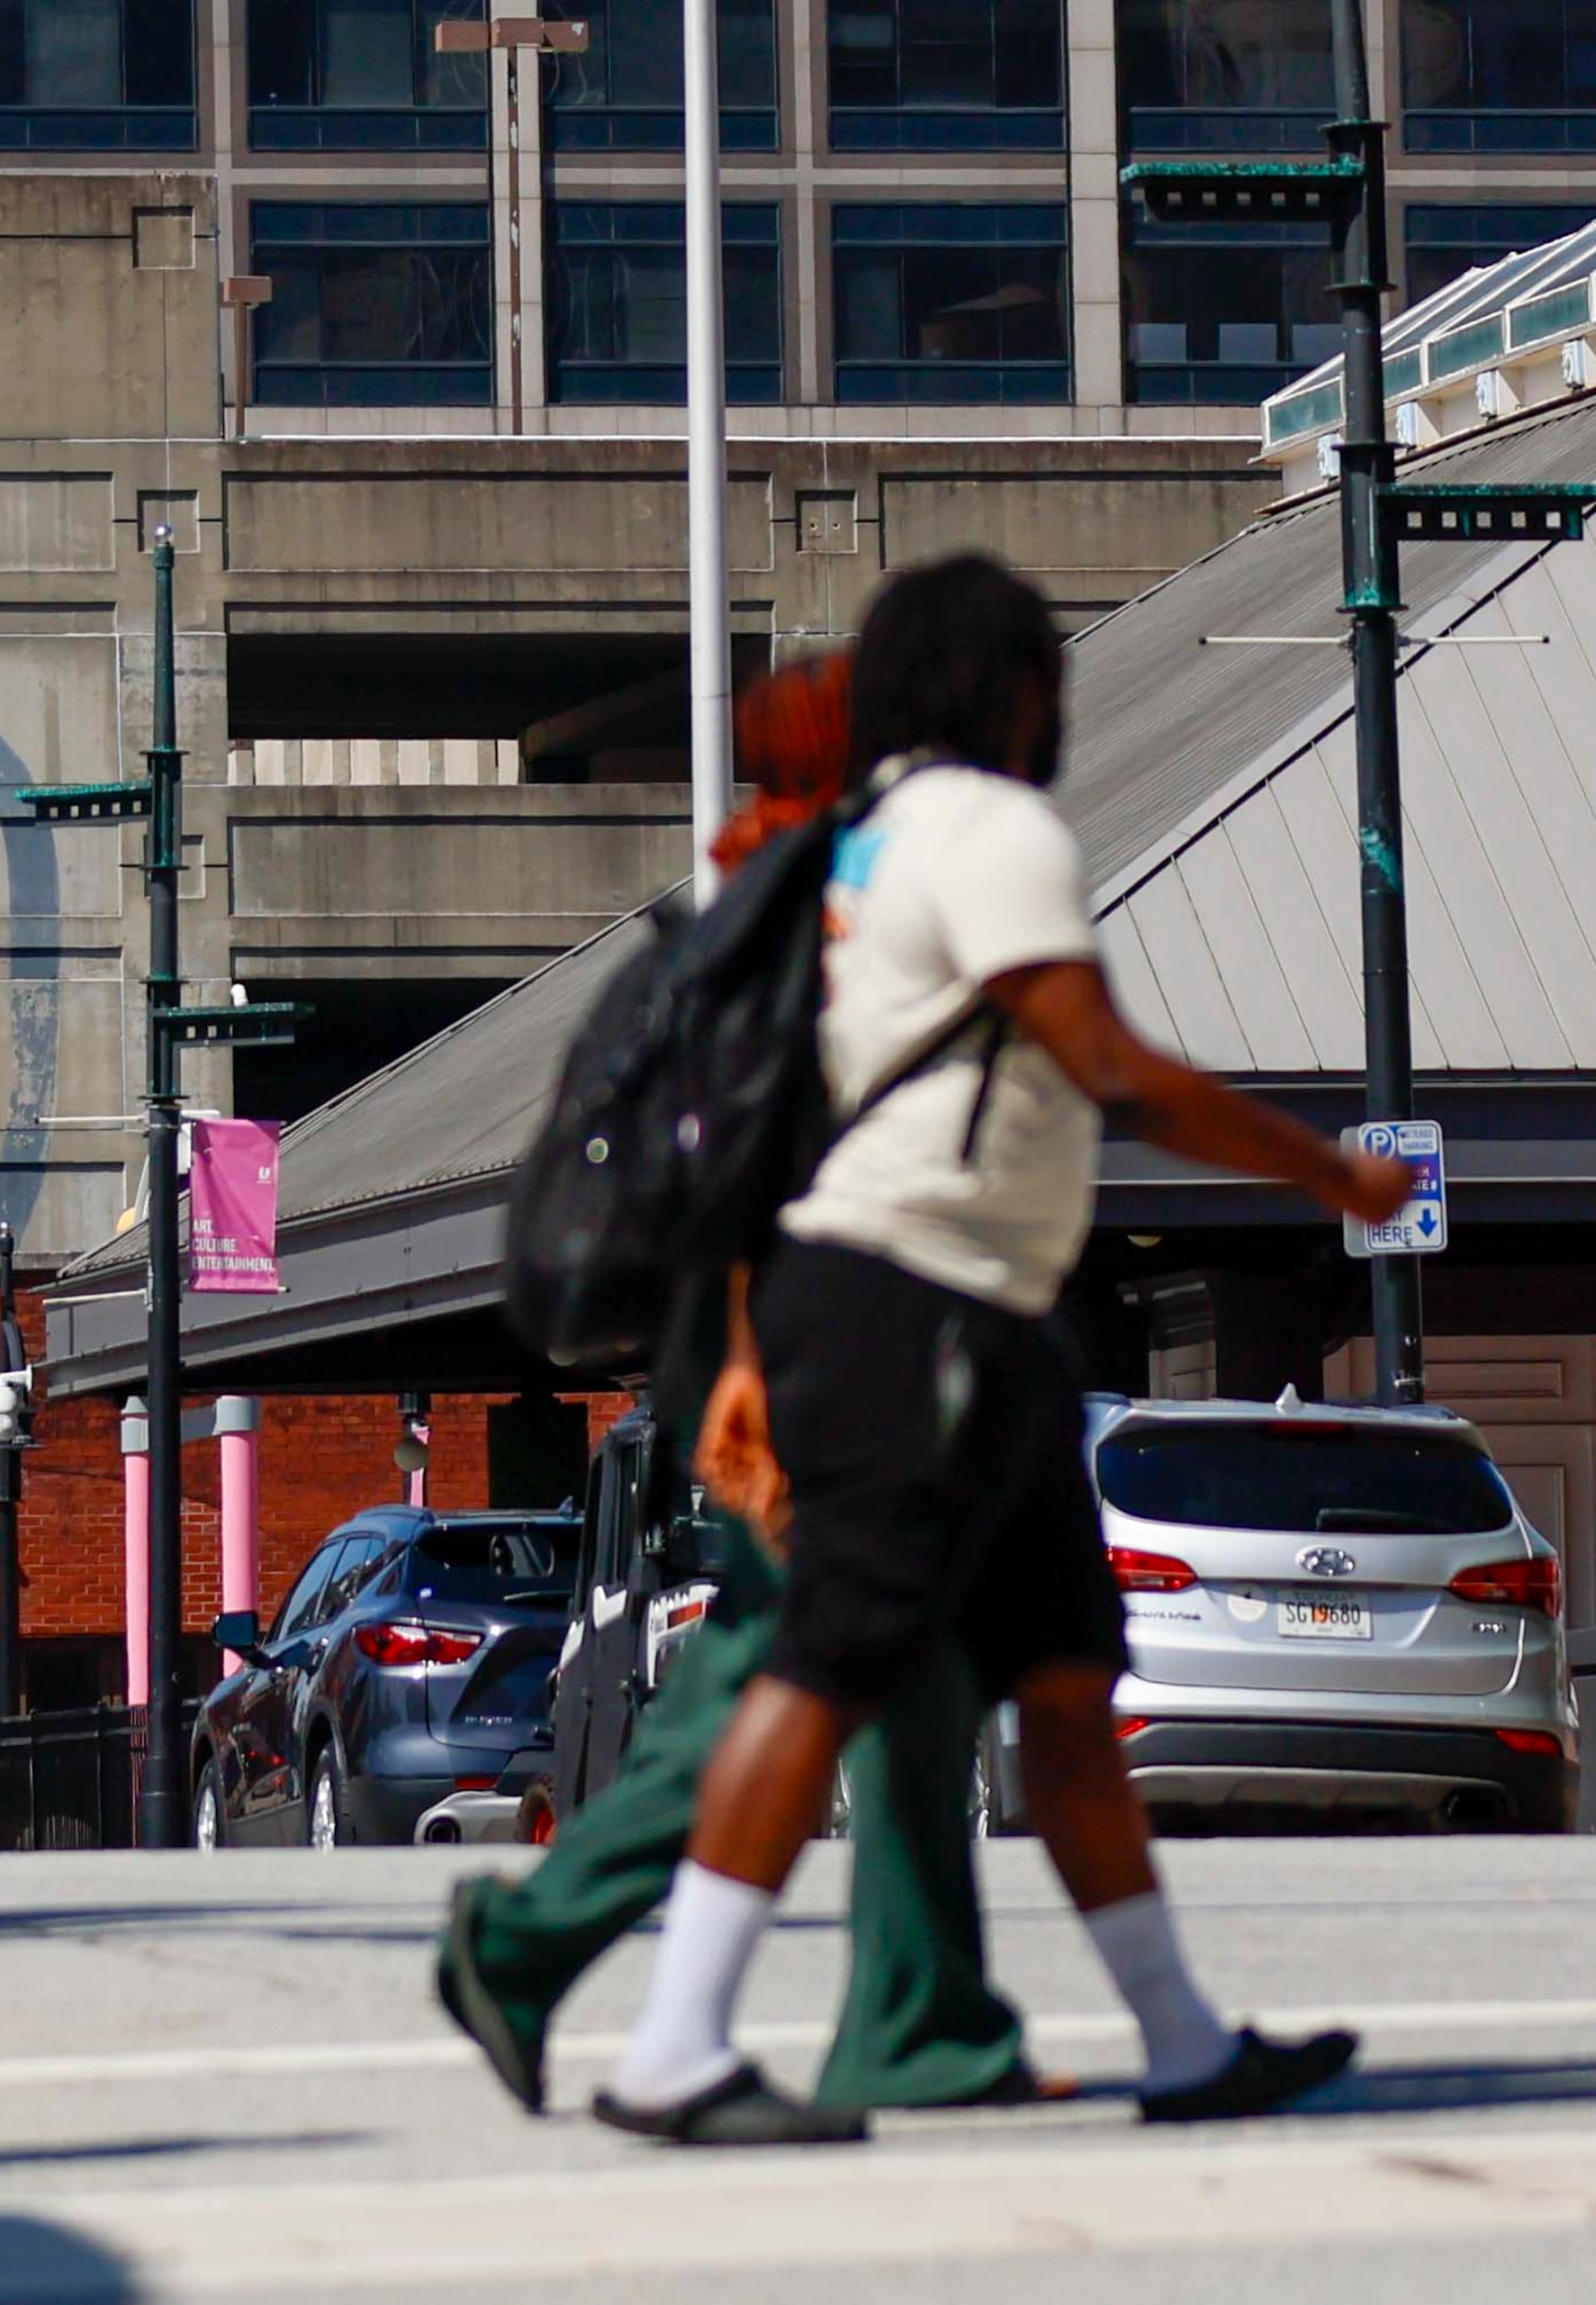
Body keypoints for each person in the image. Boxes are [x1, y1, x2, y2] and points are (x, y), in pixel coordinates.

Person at [590, 553, 1413, 2147]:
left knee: (1062, 1680)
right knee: (832, 1661)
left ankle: (1183, 2045)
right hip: (919, 1304)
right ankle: (674, 2047)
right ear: (1012, 689)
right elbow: (1098, 1059)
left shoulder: (870, 841)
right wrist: (1329, 1169)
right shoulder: (991, 829)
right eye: (1048, 674)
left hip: (974, 1310)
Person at [438, 650, 1044, 2121]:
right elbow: (774, 1163)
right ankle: (541, 1952)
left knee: (872, 1669)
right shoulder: (818, 902)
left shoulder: (767, 888)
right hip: (793, 1347)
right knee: (820, 1662)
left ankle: (917, 2019)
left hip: (781, 1339)